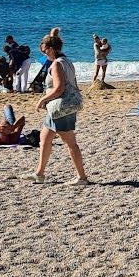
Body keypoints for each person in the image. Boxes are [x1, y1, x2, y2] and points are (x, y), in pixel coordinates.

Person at [33, 30, 88, 184]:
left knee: (70, 143)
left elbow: (59, 88)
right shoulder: (66, 60)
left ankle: (81, 177)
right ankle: (39, 173)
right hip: (60, 107)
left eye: (44, 51)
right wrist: (53, 33)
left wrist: (42, 100)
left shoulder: (57, 64)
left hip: (61, 107)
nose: (44, 54)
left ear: (51, 49)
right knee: (44, 138)